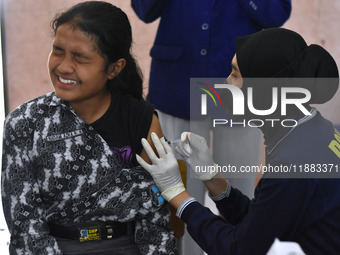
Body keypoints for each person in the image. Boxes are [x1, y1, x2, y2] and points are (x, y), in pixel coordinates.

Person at [137, 28, 340, 254]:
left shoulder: (295, 162)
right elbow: (262, 223)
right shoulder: (310, 129)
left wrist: (177, 194)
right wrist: (214, 179)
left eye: (235, 75)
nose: (226, 83)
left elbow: (240, 248)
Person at [1, 2, 177, 255]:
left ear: (114, 68)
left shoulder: (141, 119)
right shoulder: (26, 123)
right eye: (58, 51)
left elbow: (155, 219)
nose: (63, 67)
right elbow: (25, 227)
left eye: (80, 58)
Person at [132, 2, 291, 253]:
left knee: (239, 188)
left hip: (240, 84)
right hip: (179, 80)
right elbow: (145, 10)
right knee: (178, 189)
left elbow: (275, 14)